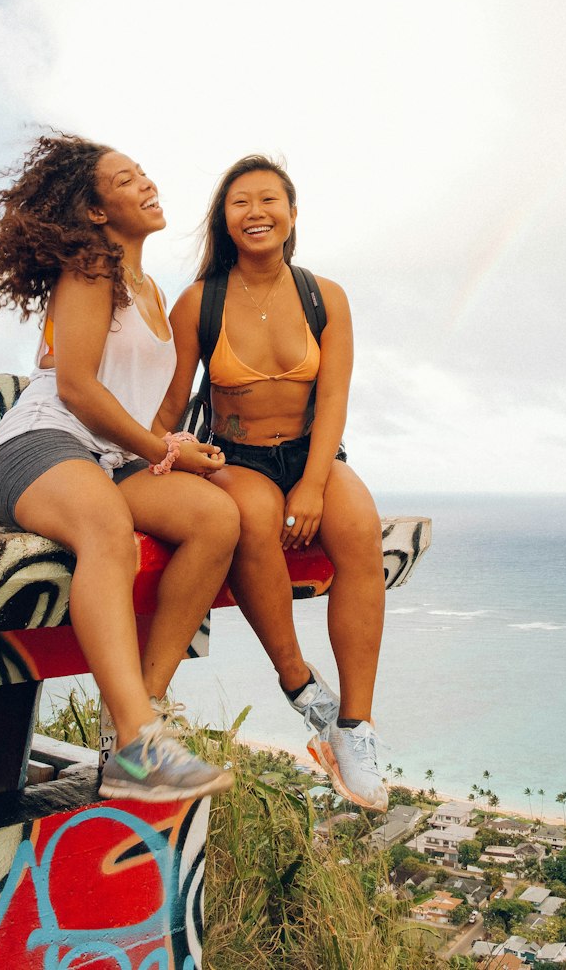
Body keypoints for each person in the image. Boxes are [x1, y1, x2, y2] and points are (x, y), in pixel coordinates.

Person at [0, 132, 240, 802]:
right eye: (126, 179)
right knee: (108, 536)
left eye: (144, 173)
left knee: (216, 519)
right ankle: (138, 740)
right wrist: (160, 452)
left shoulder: (152, 292)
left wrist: (178, 446)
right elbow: (75, 389)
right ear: (96, 212)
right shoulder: (90, 269)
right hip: (38, 445)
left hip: (107, 456)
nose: (147, 184)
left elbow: (137, 415)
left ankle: (140, 707)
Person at [156, 155, 388, 811]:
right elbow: (172, 403)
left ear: (291, 214)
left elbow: (335, 398)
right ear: (224, 222)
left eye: (268, 200)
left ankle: (355, 728)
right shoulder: (201, 301)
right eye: (240, 203)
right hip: (237, 457)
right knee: (253, 523)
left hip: (312, 453)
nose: (255, 212)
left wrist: (314, 485)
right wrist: (146, 462)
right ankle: (300, 685)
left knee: (360, 532)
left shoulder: (326, 296)